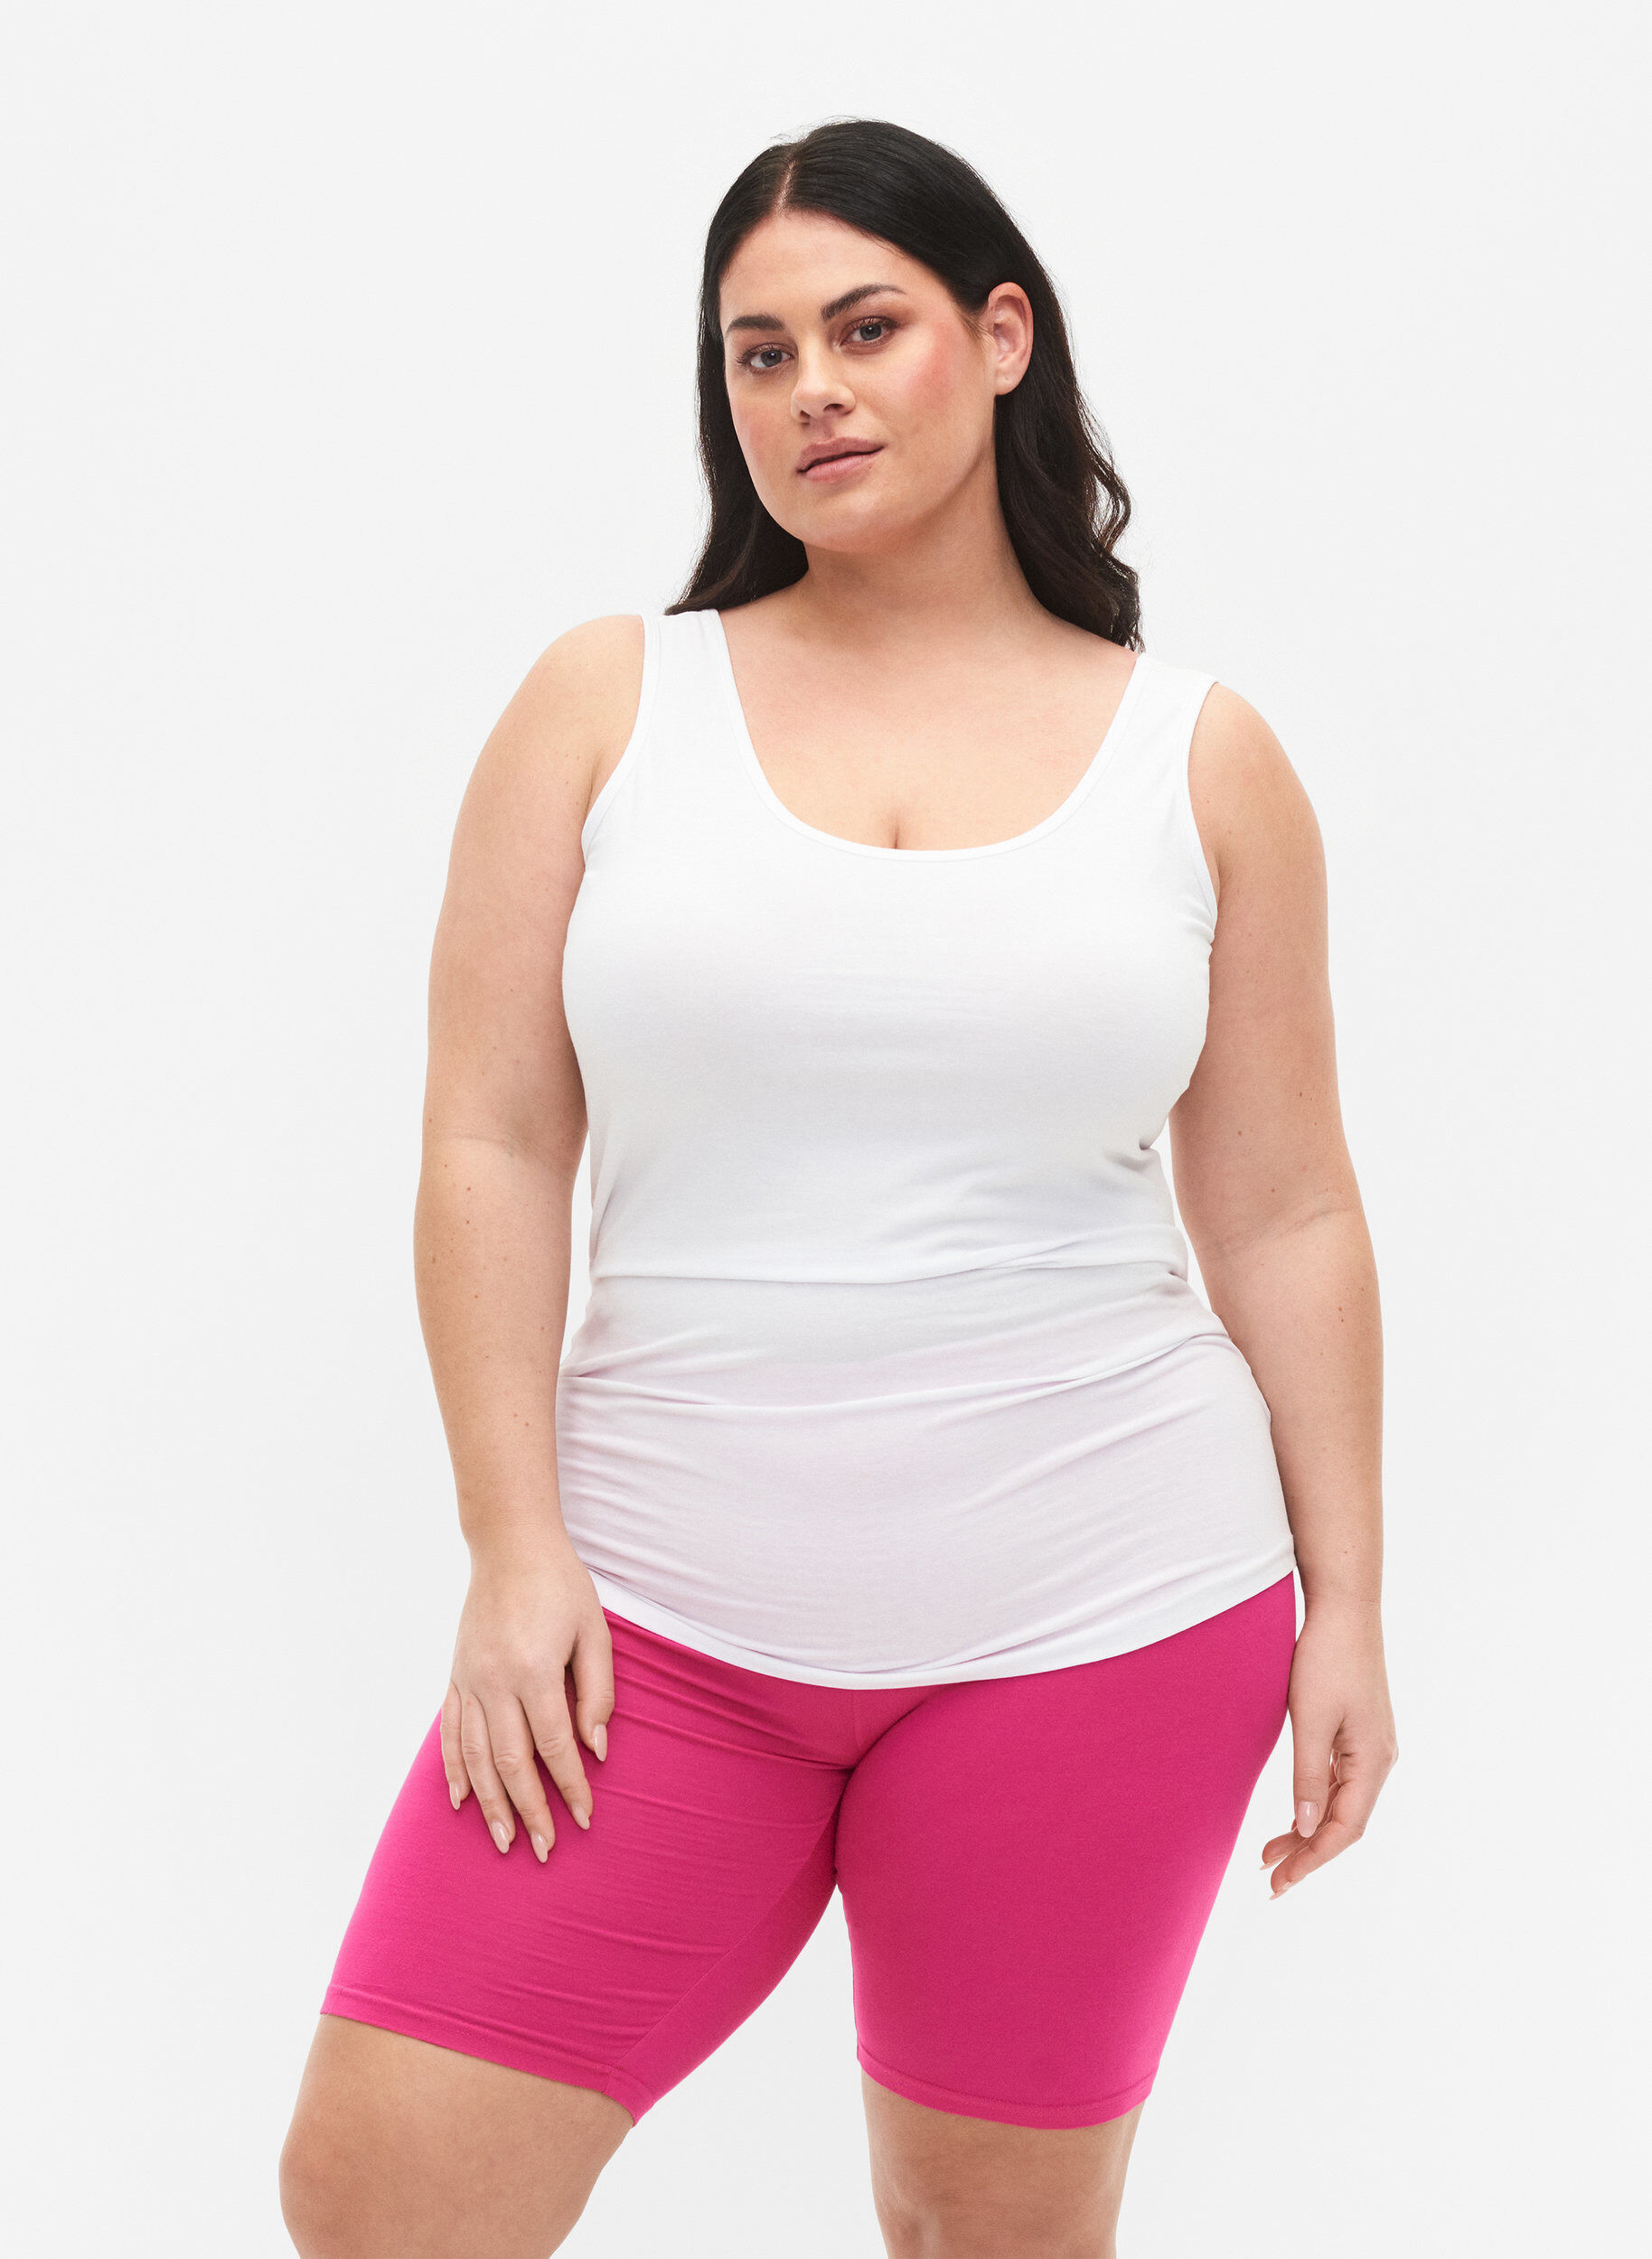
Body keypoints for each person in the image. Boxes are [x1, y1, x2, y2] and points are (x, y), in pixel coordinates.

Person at [278, 117, 1398, 2259]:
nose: (810, 390)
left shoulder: (1197, 756)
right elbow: (491, 1137)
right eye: (759, 350)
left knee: (989, 2234)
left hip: (1100, 1611)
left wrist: (1343, 1597)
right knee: (381, 2187)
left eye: (865, 328)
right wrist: (512, 1545)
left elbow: (1283, 1208)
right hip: (648, 1621)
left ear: (1001, 336)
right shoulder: (608, 702)